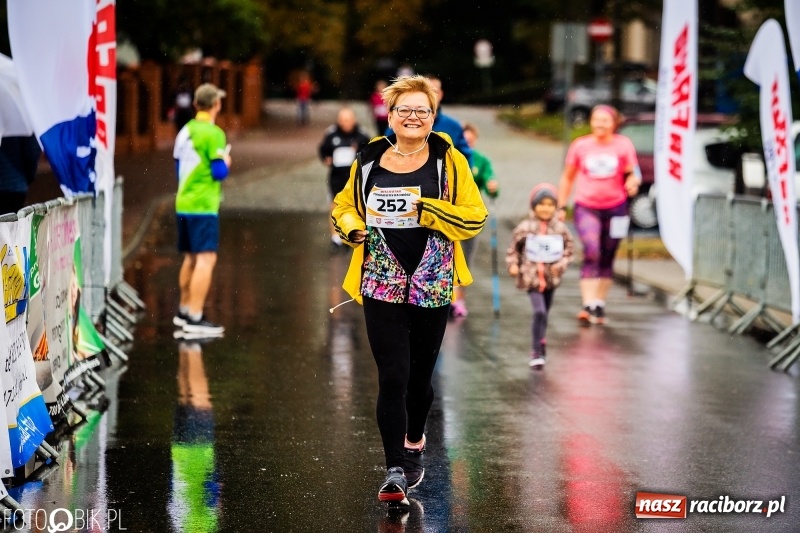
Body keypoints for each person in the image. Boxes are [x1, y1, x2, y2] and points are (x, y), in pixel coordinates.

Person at [331, 75, 487, 507]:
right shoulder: (369, 157)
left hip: (433, 275)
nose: (413, 117)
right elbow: (344, 205)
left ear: (433, 117)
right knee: (393, 375)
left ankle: (416, 438)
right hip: (381, 274)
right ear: (391, 115)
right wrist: (352, 227)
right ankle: (395, 469)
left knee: (420, 379)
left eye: (422, 110)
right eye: (405, 110)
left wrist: (429, 209)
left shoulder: (448, 160)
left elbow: (475, 216)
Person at [556, 104, 640, 326]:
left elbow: (633, 172)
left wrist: (633, 182)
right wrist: (562, 205)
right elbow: (567, 177)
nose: (600, 124)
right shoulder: (580, 146)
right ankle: (588, 303)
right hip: (587, 206)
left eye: (605, 120)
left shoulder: (623, 145)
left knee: (608, 254)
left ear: (614, 123)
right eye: (596, 120)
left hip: (617, 207)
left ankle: (599, 302)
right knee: (592, 250)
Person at [172, 83, 232, 336]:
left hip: (183, 201)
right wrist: (227, 161)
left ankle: (184, 311)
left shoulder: (184, 131)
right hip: (203, 204)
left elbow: (177, 169)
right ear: (216, 105)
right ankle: (195, 318)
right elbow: (218, 172)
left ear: (196, 105)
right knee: (206, 259)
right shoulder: (213, 133)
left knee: (191, 257)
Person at [506, 183, 574, 369]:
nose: (546, 208)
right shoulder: (525, 227)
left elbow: (569, 251)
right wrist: (513, 265)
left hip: (551, 280)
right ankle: (536, 351)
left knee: (545, 313)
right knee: (539, 312)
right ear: (533, 205)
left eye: (550, 204)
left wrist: (560, 266)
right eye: (541, 204)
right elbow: (513, 249)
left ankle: (541, 339)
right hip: (532, 279)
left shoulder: (560, 229)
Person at [450, 121, 499, 317]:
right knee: (449, 257)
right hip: (450, 214)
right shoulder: (450, 157)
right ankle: (447, 298)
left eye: (471, 141)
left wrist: (492, 186)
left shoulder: (480, 161)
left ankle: (460, 299)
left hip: (470, 217)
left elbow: (490, 181)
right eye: (464, 140)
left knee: (466, 259)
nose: (467, 144)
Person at [385, 75, 472, 166]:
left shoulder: (453, 126)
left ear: (441, 94)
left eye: (434, 91)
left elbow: (466, 158)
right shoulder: (399, 125)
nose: (413, 117)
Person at [319, 107, 371, 252]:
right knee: (334, 207)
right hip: (336, 177)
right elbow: (323, 149)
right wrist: (326, 158)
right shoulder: (331, 133)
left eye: (348, 120)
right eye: (342, 120)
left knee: (356, 207)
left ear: (354, 120)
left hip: (355, 178)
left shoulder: (362, 135)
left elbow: (369, 154)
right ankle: (336, 239)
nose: (345, 123)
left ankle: (354, 235)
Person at [0, 135, 41, 215]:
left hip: (14, 184)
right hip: (14, 183)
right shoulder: (19, 123)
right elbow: (32, 150)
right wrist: (28, 176)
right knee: (11, 224)